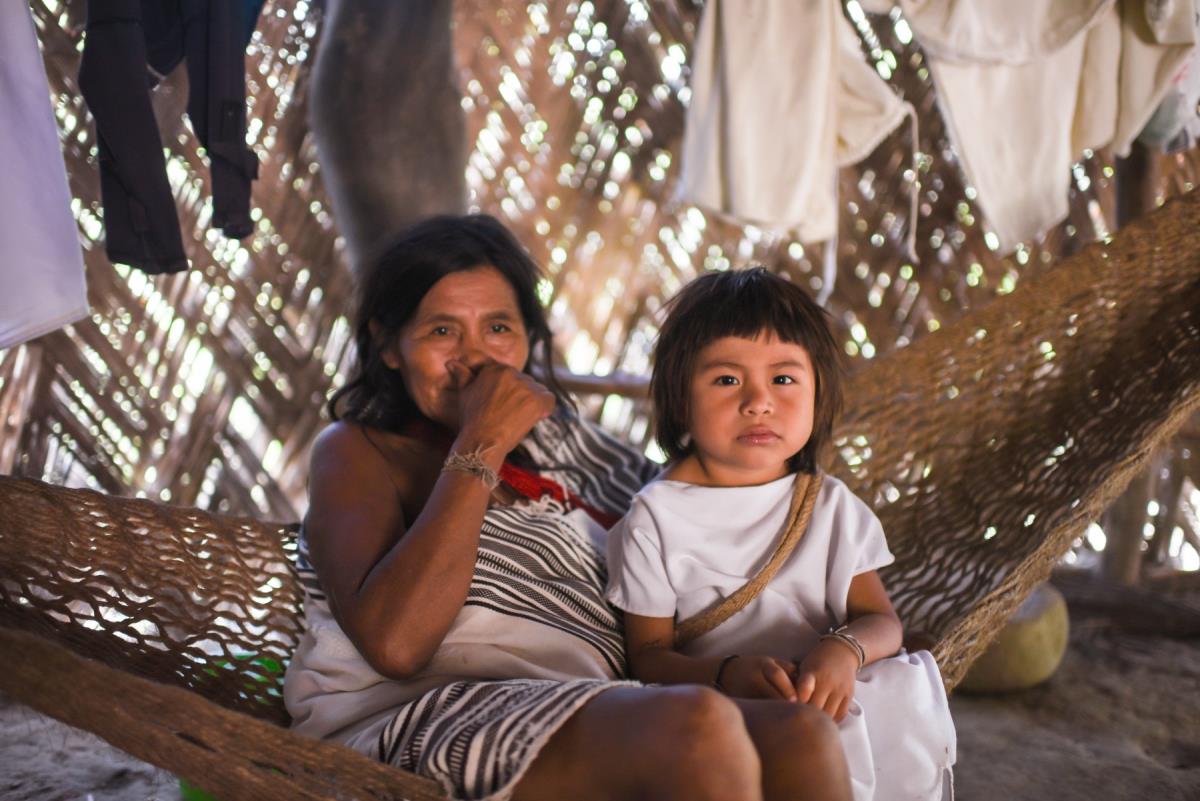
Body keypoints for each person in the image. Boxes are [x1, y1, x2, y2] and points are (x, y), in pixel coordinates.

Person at [283, 215, 855, 801]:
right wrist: (481, 441)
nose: (475, 358)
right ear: (388, 345)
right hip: (421, 716)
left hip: (603, 709)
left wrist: (856, 627)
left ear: (529, 338)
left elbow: (708, 539)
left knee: (799, 733)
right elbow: (396, 645)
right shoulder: (360, 451)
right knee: (696, 725)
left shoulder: (576, 448)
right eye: (441, 332)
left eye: (498, 327)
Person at [606, 267, 957, 801]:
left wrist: (843, 651)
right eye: (727, 380)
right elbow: (648, 656)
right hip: (725, 706)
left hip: (833, 694)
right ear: (679, 398)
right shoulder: (654, 519)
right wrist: (726, 673)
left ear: (819, 393)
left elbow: (883, 622)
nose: (758, 402)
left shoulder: (829, 505)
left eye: (784, 379)